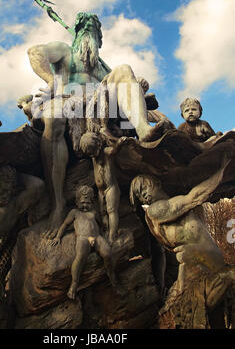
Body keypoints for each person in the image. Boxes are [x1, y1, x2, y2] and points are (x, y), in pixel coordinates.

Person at [28, 12, 169, 231]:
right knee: (53, 117)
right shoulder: (66, 52)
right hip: (68, 101)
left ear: (99, 40)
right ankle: (57, 204)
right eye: (84, 29)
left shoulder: (104, 69)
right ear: (76, 35)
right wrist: (52, 81)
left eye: (94, 31)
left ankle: (143, 130)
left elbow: (125, 86)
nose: (89, 34)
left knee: (124, 69)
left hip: (101, 108)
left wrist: (138, 84)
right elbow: (35, 52)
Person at [129, 160, 233, 295]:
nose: (142, 195)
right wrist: (222, 171)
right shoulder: (155, 210)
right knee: (184, 255)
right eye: (138, 195)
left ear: (157, 183)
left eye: (143, 188)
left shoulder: (167, 209)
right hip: (203, 259)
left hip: (207, 258)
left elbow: (194, 197)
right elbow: (193, 197)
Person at [51, 185, 117, 300]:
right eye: (82, 202)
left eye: (88, 203)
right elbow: (65, 225)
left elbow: (101, 225)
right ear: (76, 202)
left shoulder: (94, 213)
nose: (85, 205)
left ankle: (111, 274)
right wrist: (58, 237)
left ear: (92, 202)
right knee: (80, 256)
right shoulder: (74, 213)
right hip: (82, 238)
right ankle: (74, 283)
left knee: (107, 253)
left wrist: (106, 235)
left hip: (96, 237)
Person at [79, 131, 121, 245]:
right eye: (89, 154)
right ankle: (105, 232)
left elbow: (116, 148)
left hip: (110, 187)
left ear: (98, 144)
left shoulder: (106, 152)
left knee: (111, 211)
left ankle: (113, 235)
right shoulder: (93, 157)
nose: (92, 155)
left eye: (93, 152)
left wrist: (106, 133)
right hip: (100, 191)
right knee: (103, 213)